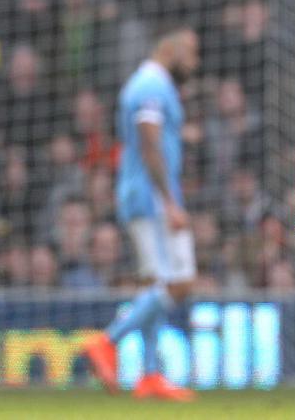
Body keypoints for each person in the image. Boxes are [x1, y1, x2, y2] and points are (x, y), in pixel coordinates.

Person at [81, 26, 200, 402]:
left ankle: (149, 375)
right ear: (172, 49)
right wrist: (169, 201)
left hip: (145, 195)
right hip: (151, 198)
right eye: (191, 55)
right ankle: (107, 341)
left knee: (158, 283)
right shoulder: (150, 85)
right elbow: (148, 141)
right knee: (177, 283)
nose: (194, 65)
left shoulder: (149, 84)